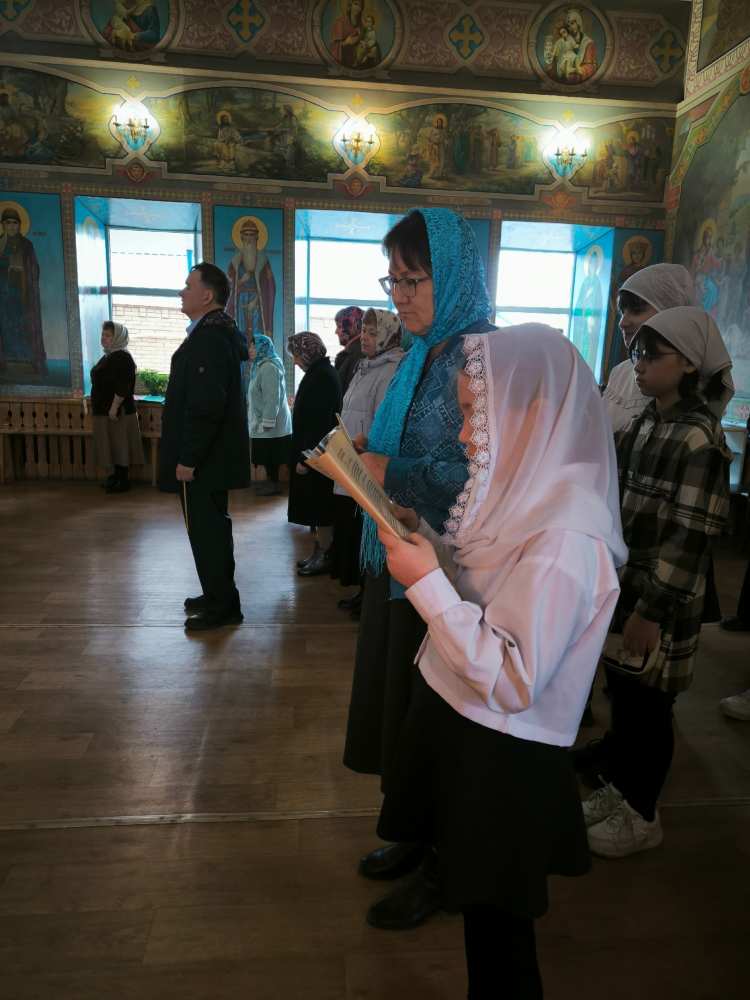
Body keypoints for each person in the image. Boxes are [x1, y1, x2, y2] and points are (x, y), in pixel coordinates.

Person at [376, 325, 625, 999]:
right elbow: (489, 590)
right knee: (481, 918)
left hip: (502, 756)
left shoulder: (567, 539)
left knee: (498, 935)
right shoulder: (531, 496)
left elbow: (515, 679)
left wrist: (426, 583)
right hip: (468, 727)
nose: (464, 434)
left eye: (473, 414)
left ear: (533, 415)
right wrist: (427, 543)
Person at [343, 207, 496, 931]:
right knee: (403, 708)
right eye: (393, 280)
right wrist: (367, 463)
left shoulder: (484, 360)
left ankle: (444, 863)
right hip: (402, 556)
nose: (399, 296)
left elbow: (482, 473)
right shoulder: (421, 353)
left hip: (455, 574)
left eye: (413, 279)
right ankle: (411, 832)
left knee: (440, 721)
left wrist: (387, 468)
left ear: (456, 276)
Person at [583, 307, 733, 858]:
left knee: (651, 711)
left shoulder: (699, 439)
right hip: (628, 592)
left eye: (651, 355)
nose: (639, 365)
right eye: (636, 353)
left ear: (689, 363)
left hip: (660, 606)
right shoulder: (646, 422)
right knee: (626, 700)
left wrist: (651, 610)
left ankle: (643, 813)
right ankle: (620, 788)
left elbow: (690, 539)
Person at [159, 263, 250, 632]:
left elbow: (206, 405)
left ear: (207, 295)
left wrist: (189, 458)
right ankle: (217, 595)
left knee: (208, 534)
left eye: (187, 285)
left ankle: (223, 606)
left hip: (204, 462)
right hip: (210, 459)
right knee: (210, 532)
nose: (181, 292)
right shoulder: (212, 333)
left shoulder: (209, 339)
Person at [331, 308, 403, 617]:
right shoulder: (366, 366)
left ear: (388, 336)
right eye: (364, 331)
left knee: (367, 531)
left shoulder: (390, 370)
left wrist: (364, 446)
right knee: (355, 529)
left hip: (367, 459)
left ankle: (369, 596)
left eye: (373, 333)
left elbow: (382, 421)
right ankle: (363, 591)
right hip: (353, 455)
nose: (365, 338)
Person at [604, 264, 696, 433]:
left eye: (636, 310)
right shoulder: (620, 373)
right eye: (622, 312)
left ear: (669, 311)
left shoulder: (687, 381)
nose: (622, 323)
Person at [287, 332, 342, 576]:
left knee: (321, 510)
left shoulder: (322, 377)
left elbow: (318, 423)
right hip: (315, 455)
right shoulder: (319, 372)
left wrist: (306, 459)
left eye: (297, 355)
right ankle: (319, 552)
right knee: (317, 511)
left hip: (317, 458)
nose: (295, 361)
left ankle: (325, 555)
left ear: (308, 352)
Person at [90, 321, 145, 494]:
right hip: (105, 411)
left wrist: (114, 407)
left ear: (118, 338)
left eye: (108, 335)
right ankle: (115, 477)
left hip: (117, 411)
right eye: (103, 334)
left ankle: (123, 480)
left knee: (120, 444)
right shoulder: (109, 355)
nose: (103, 338)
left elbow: (123, 386)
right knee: (111, 444)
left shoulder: (122, 357)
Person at [0, 206, 46, 375]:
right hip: (3, 296)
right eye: (8, 223)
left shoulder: (27, 245)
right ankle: (5, 360)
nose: (11, 226)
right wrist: (7, 265)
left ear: (20, 225)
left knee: (23, 327)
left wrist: (23, 270)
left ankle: (25, 360)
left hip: (22, 295)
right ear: (3, 225)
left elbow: (35, 269)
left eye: (15, 223)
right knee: (5, 328)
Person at [247, 333, 291, 497]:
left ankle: (273, 484)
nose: (250, 349)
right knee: (267, 455)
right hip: (264, 420)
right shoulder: (259, 366)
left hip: (271, 423)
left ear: (262, 348)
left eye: (254, 346)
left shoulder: (268, 367)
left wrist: (267, 422)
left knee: (271, 454)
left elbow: (272, 398)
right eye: (251, 346)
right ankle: (270, 483)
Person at [333, 306, 364, 396]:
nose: (336, 332)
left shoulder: (356, 355)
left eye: (339, 327)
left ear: (353, 327)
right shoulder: (355, 352)